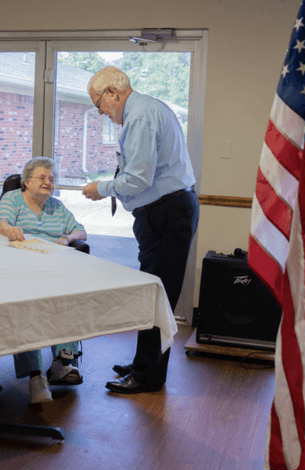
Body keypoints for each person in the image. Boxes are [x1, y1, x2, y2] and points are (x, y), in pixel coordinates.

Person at [82, 66, 199, 395]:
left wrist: (101, 187)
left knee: (155, 295)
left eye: (98, 104)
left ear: (112, 93)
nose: (101, 112)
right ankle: (143, 364)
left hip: (166, 213)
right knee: (153, 292)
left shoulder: (140, 116)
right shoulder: (148, 107)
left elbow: (138, 179)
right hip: (168, 210)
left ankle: (147, 377)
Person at [0, 156, 88, 404]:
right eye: (42, 177)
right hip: (18, 267)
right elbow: (1, 221)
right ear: (26, 181)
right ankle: (36, 375)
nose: (48, 182)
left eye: (52, 179)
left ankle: (65, 361)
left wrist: (67, 239)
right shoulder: (13, 198)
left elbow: (81, 230)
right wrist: (9, 230)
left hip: (53, 268)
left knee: (66, 298)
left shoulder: (56, 206)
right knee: (26, 306)